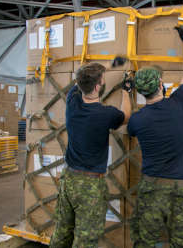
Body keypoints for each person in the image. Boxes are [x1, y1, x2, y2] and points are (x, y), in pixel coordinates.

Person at [127, 25, 183, 248]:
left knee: (145, 241)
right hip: (180, 188)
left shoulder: (137, 121)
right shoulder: (179, 103)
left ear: (140, 92)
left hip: (151, 188)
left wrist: (125, 91)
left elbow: (127, 124)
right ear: (161, 85)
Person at [50, 57, 132, 247]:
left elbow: (80, 81)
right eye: (102, 81)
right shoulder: (105, 114)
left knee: (62, 231)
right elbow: (126, 115)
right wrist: (126, 92)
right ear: (97, 88)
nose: (103, 83)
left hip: (68, 179)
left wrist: (110, 66)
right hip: (90, 186)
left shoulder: (72, 102)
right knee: (85, 240)